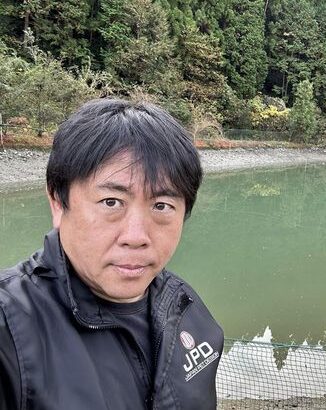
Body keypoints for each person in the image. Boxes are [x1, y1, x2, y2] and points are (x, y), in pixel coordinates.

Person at [0, 99, 224, 409]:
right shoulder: (9, 330)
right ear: (57, 201)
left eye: (161, 206)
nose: (136, 237)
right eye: (111, 202)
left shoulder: (187, 308)